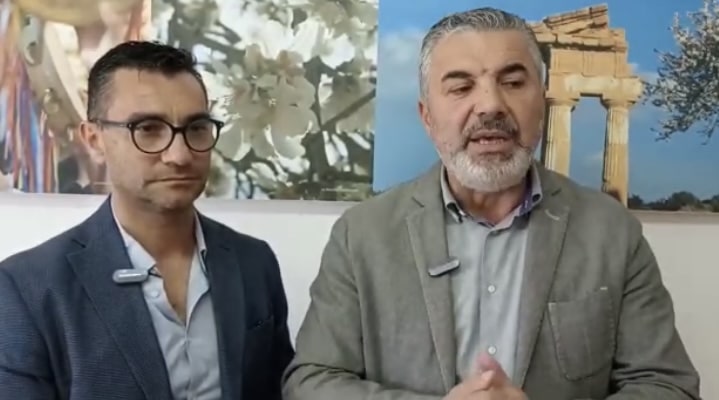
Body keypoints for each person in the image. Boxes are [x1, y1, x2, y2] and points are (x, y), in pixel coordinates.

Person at [282, 7, 701, 400]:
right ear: (427, 117)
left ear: (542, 103)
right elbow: (311, 381)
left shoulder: (612, 231)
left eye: (513, 83)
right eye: (461, 87)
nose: (490, 105)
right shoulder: (361, 234)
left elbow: (668, 385)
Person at [0, 41, 294, 399]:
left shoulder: (254, 262)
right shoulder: (28, 287)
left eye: (196, 128)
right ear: (94, 140)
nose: (179, 155)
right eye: (149, 128)